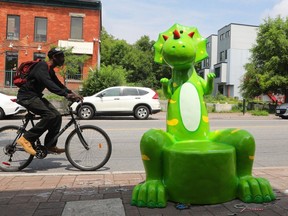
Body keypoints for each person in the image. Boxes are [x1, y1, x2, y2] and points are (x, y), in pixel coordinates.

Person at [16, 47, 83, 155]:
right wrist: (66, 95)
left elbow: (58, 85)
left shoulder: (50, 70)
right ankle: (26, 139)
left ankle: (50, 145)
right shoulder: (42, 66)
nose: (63, 59)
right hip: (27, 97)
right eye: (61, 56)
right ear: (54, 57)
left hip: (35, 97)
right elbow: (49, 85)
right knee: (49, 115)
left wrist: (72, 93)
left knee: (56, 116)